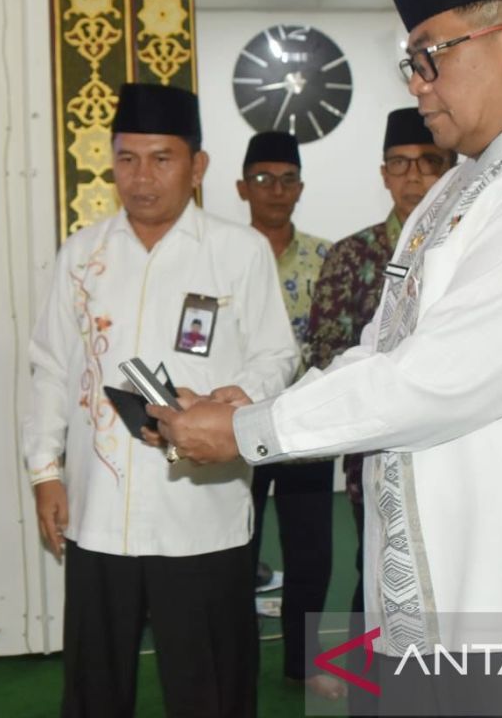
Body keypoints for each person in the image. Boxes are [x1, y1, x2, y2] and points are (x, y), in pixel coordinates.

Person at [149, 0, 502, 716]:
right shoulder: (458, 192)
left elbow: (447, 375)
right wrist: (243, 408)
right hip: (449, 593)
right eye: (410, 62)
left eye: (431, 56)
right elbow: (383, 350)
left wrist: (253, 429)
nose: (417, 85)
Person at [23, 82, 299, 718]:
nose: (141, 177)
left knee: (211, 688)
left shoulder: (239, 252)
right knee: (95, 686)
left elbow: (277, 356)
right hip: (99, 513)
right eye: (126, 158)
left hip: (200, 514)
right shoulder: (81, 257)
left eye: (161, 159)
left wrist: (239, 397)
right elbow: (47, 367)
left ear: (197, 166)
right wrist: (45, 471)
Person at [304, 109, 454, 714]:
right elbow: (325, 350)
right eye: (400, 164)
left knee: (450, 576)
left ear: (447, 168)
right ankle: (373, 696)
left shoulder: (468, 243)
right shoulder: (352, 255)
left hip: (453, 449)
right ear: (384, 174)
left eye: (427, 162)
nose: (414, 177)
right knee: (379, 574)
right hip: (378, 452)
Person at [235, 130, 344, 700]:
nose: (275, 191)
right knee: (235, 552)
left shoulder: (330, 258)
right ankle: (238, 666)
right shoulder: (223, 254)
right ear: (241, 187)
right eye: (262, 179)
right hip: (234, 429)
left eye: (286, 179)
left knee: (311, 554)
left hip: (304, 427)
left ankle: (303, 665)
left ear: (300, 187)